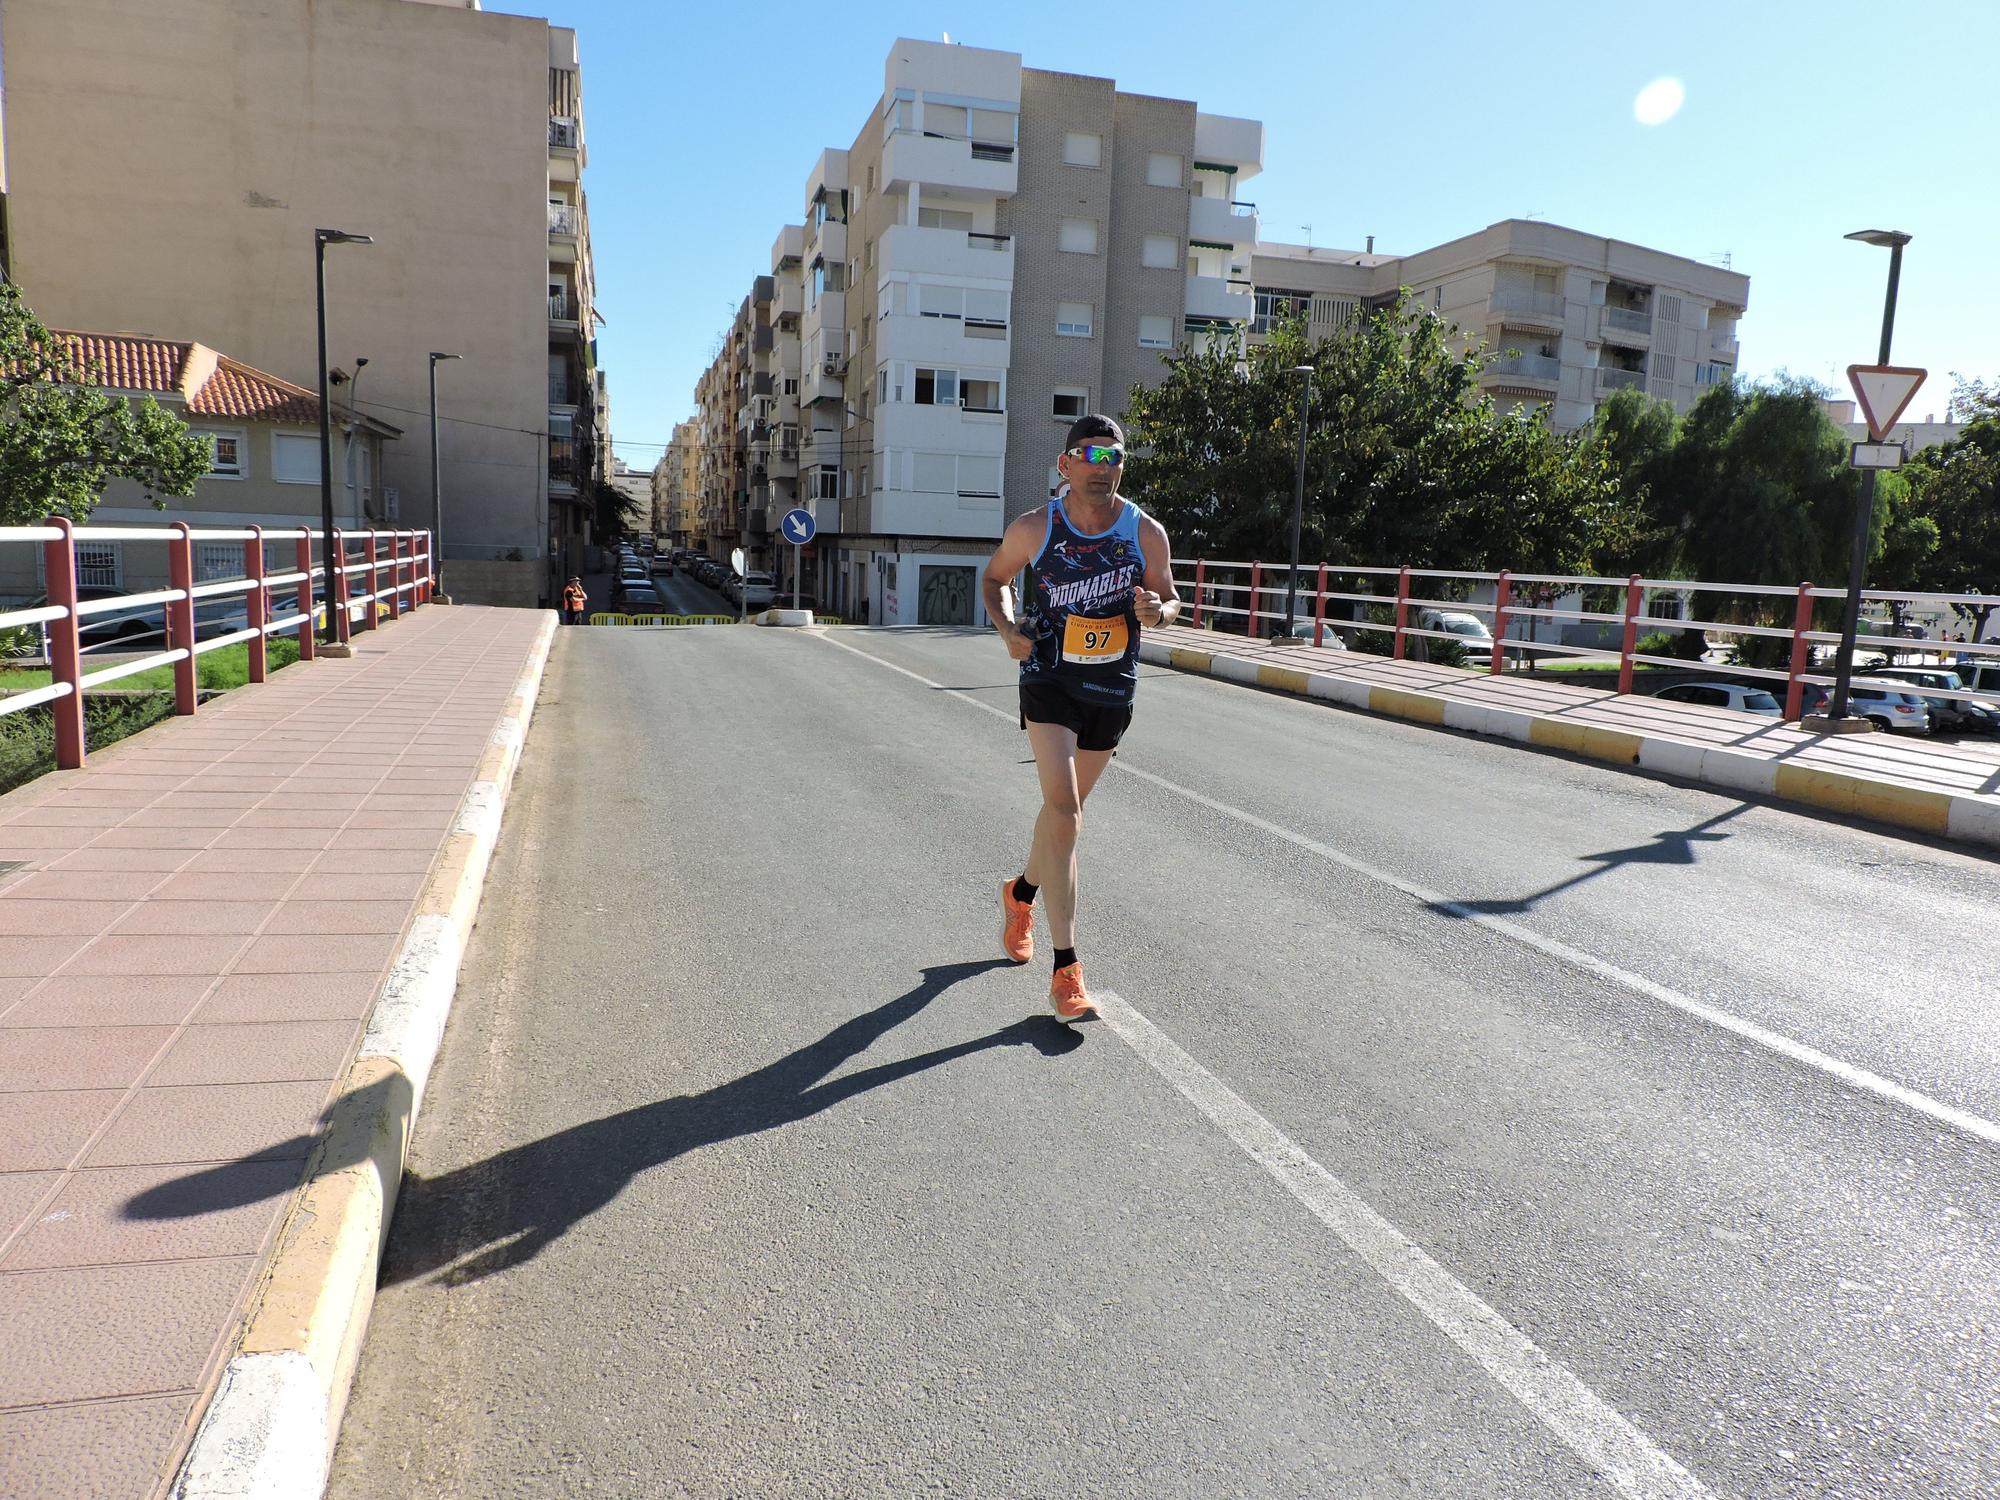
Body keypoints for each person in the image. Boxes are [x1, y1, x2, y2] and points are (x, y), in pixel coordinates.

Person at [981, 414, 1179, 1021]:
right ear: (1065, 466)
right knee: (1065, 812)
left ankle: (1021, 894)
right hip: (1049, 682)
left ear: (1122, 466)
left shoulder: (1145, 532)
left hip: (1111, 687)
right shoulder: (1037, 527)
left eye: (1113, 455)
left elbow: (1171, 597)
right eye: (1089, 454)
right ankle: (1067, 971)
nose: (1102, 465)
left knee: (1061, 816)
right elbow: (994, 580)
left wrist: (1159, 613)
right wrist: (1008, 627)